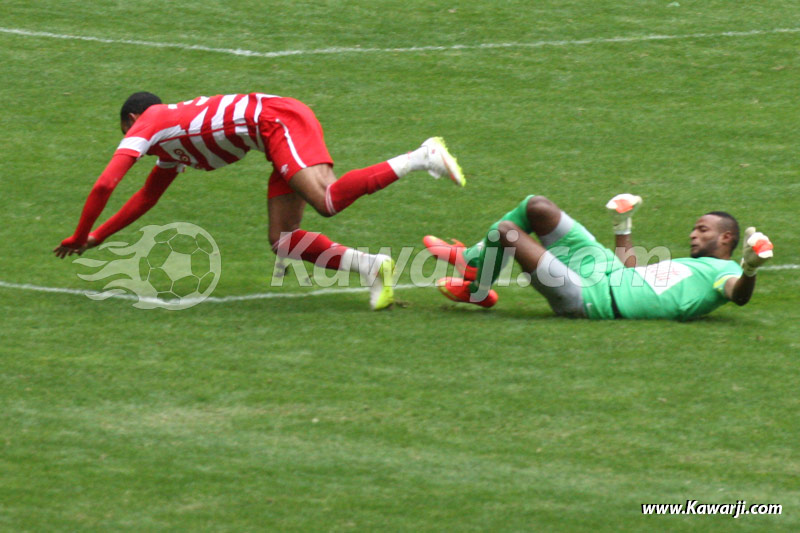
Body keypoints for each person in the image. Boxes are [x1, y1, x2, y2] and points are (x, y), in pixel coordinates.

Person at [53, 91, 466, 309]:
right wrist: (98, 237)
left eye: (125, 130)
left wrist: (79, 233)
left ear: (130, 120)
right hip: (270, 135)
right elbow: (145, 197)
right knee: (283, 240)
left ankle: (420, 156)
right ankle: (373, 269)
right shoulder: (171, 146)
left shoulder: (151, 121)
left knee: (327, 200)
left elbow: (107, 184)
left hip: (276, 122)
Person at [424, 193, 774, 320]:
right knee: (537, 206)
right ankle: (474, 266)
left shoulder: (723, 273)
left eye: (702, 230)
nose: (692, 234)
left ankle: (476, 283)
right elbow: (631, 273)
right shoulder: (691, 266)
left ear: (727, 238)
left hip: (588, 296)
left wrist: (751, 268)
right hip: (604, 268)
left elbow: (738, 295)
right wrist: (623, 226)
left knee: (506, 233)